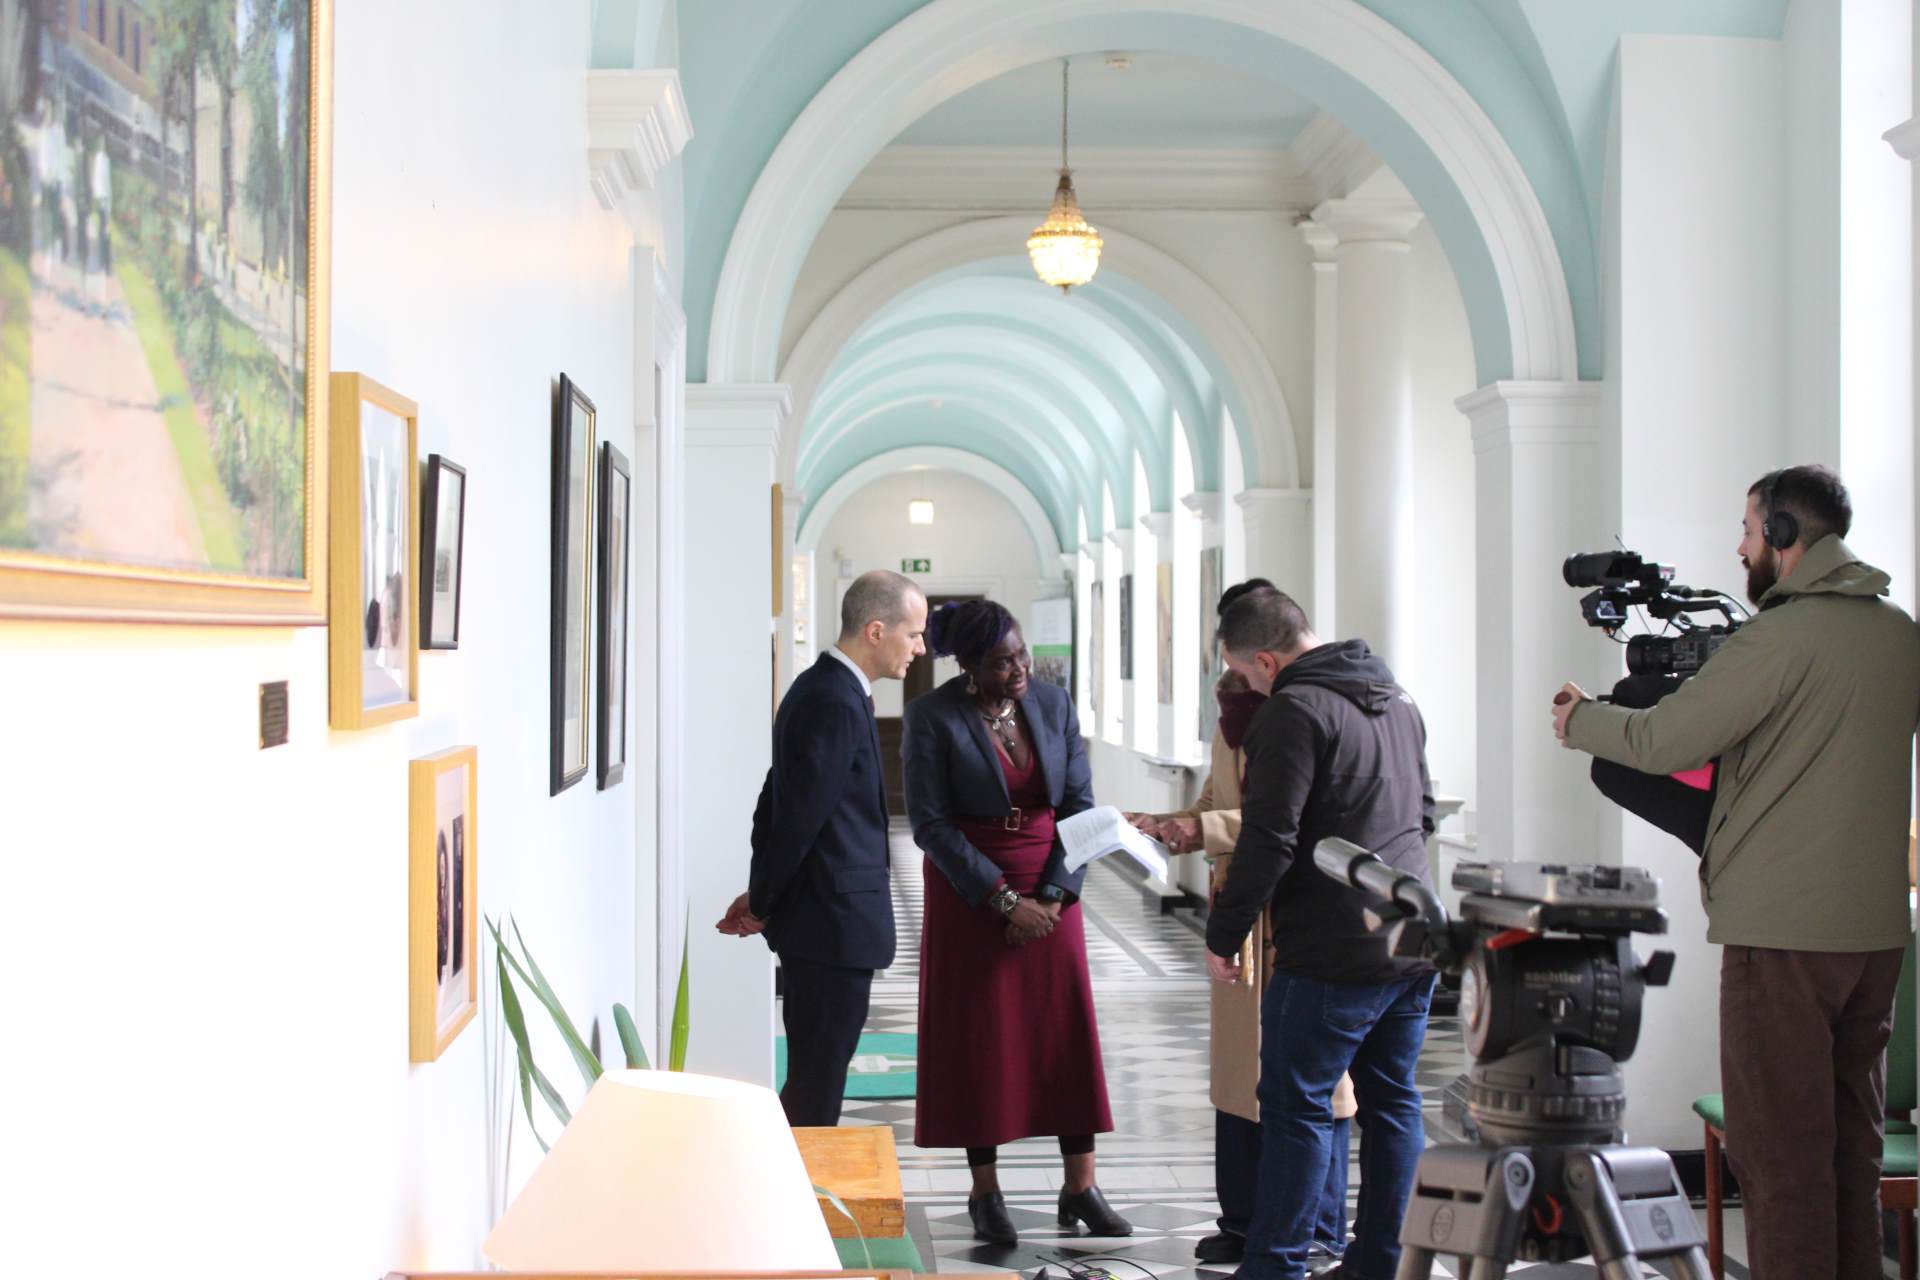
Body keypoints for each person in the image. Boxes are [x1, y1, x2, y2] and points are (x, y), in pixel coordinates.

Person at [1552, 465, 1920, 1280]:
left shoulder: (1778, 637)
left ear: (1783, 535)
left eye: (1749, 530)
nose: (1741, 547)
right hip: (1874, 937)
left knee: (1782, 1162)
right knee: (1850, 1155)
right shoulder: (1899, 632)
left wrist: (1582, 720)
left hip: (1782, 937)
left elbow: (1663, 741)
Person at [1206, 587, 1436, 1280]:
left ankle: (1274, 1268)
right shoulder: (1398, 699)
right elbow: (1423, 814)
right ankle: (1379, 1264)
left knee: (1295, 1107)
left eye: (1243, 673)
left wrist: (1224, 933)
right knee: (1393, 1103)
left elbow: (1270, 839)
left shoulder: (1292, 710)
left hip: (1332, 950)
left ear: (1267, 660)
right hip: (1412, 934)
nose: (1247, 687)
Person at [1132, 579, 1356, 1270]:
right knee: (1237, 1074)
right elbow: (1218, 797)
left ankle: (1318, 1222)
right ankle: (1244, 1216)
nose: (1230, 675)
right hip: (1239, 906)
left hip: (1294, 911)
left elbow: (1288, 819)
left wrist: (1202, 829)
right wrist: (1170, 824)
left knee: (1312, 1079)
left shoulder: (1303, 711)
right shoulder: (1233, 711)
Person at [902, 599, 1131, 1245]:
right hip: (970, 889)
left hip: (1051, 876)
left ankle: (1081, 1186)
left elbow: (1080, 805)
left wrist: (1054, 895)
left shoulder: (1053, 705)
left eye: (1021, 655)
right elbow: (931, 825)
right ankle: (985, 1192)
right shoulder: (932, 716)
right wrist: (1004, 901)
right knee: (979, 1038)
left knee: (1064, 1032)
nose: (1020, 669)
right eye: (1003, 662)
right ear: (970, 666)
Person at [716, 570, 928, 1126]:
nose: (920, 648)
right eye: (914, 634)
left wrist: (762, 893)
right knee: (816, 1085)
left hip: (825, 920)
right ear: (877, 630)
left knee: (817, 1077)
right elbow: (796, 819)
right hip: (830, 925)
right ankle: (796, 1180)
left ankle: (795, 1176)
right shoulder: (832, 698)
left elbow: (778, 801)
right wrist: (763, 901)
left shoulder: (825, 689)